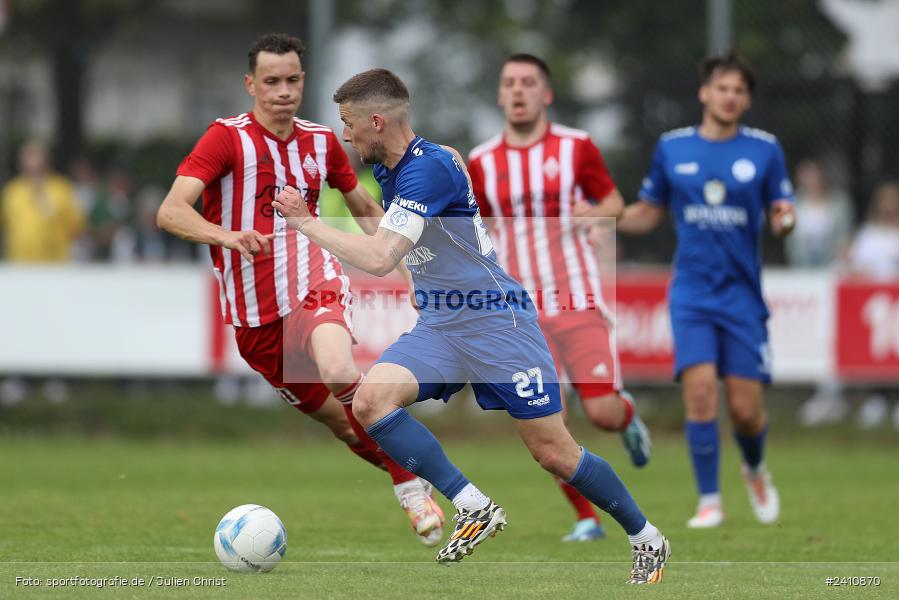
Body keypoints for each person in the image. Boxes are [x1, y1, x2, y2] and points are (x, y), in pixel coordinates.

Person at [272, 68, 670, 584]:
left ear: (377, 122)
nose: (345, 134)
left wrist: (306, 222)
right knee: (370, 402)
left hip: (496, 321)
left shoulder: (429, 169)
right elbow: (396, 234)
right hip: (442, 323)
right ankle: (474, 505)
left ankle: (647, 538)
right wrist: (414, 272)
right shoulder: (395, 169)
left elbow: (379, 256)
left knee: (554, 453)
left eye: (348, 123)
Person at [155, 33, 443, 545]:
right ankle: (412, 471)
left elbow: (364, 209)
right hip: (255, 317)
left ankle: (412, 489)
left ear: (303, 81)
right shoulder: (225, 139)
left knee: (339, 371)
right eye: (272, 81)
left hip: (314, 280)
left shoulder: (321, 141)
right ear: (251, 84)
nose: (283, 91)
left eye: (292, 80)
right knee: (345, 424)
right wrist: (226, 235)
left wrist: (410, 272)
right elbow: (171, 212)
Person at [467, 53, 651, 543]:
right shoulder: (482, 160)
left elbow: (613, 202)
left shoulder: (576, 146)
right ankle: (588, 518)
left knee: (602, 413)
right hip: (521, 314)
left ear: (545, 94)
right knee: (549, 425)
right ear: (501, 94)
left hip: (577, 299)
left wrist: (595, 214)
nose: (519, 90)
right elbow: (477, 227)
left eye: (528, 82)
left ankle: (627, 415)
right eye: (510, 83)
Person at [618, 52, 797, 529]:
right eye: (722, 88)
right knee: (699, 393)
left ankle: (754, 468)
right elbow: (648, 212)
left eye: (739, 90)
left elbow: (782, 210)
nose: (730, 97)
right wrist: (604, 217)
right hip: (692, 293)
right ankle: (710, 500)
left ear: (747, 100)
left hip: (742, 296)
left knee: (745, 411)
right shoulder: (673, 147)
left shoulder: (764, 150)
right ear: (705, 93)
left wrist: (785, 220)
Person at [845, 182, 899, 430]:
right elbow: (856, 266)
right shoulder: (868, 234)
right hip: (874, 305)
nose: (889, 206)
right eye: (885, 200)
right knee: (876, 353)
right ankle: (877, 398)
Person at [1, 140, 84, 262]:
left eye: (37, 155)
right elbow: (5, 226)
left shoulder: (62, 188)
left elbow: (76, 224)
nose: (34, 161)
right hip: (19, 261)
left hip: (54, 262)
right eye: (30, 156)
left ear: (47, 160)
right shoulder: (12, 191)